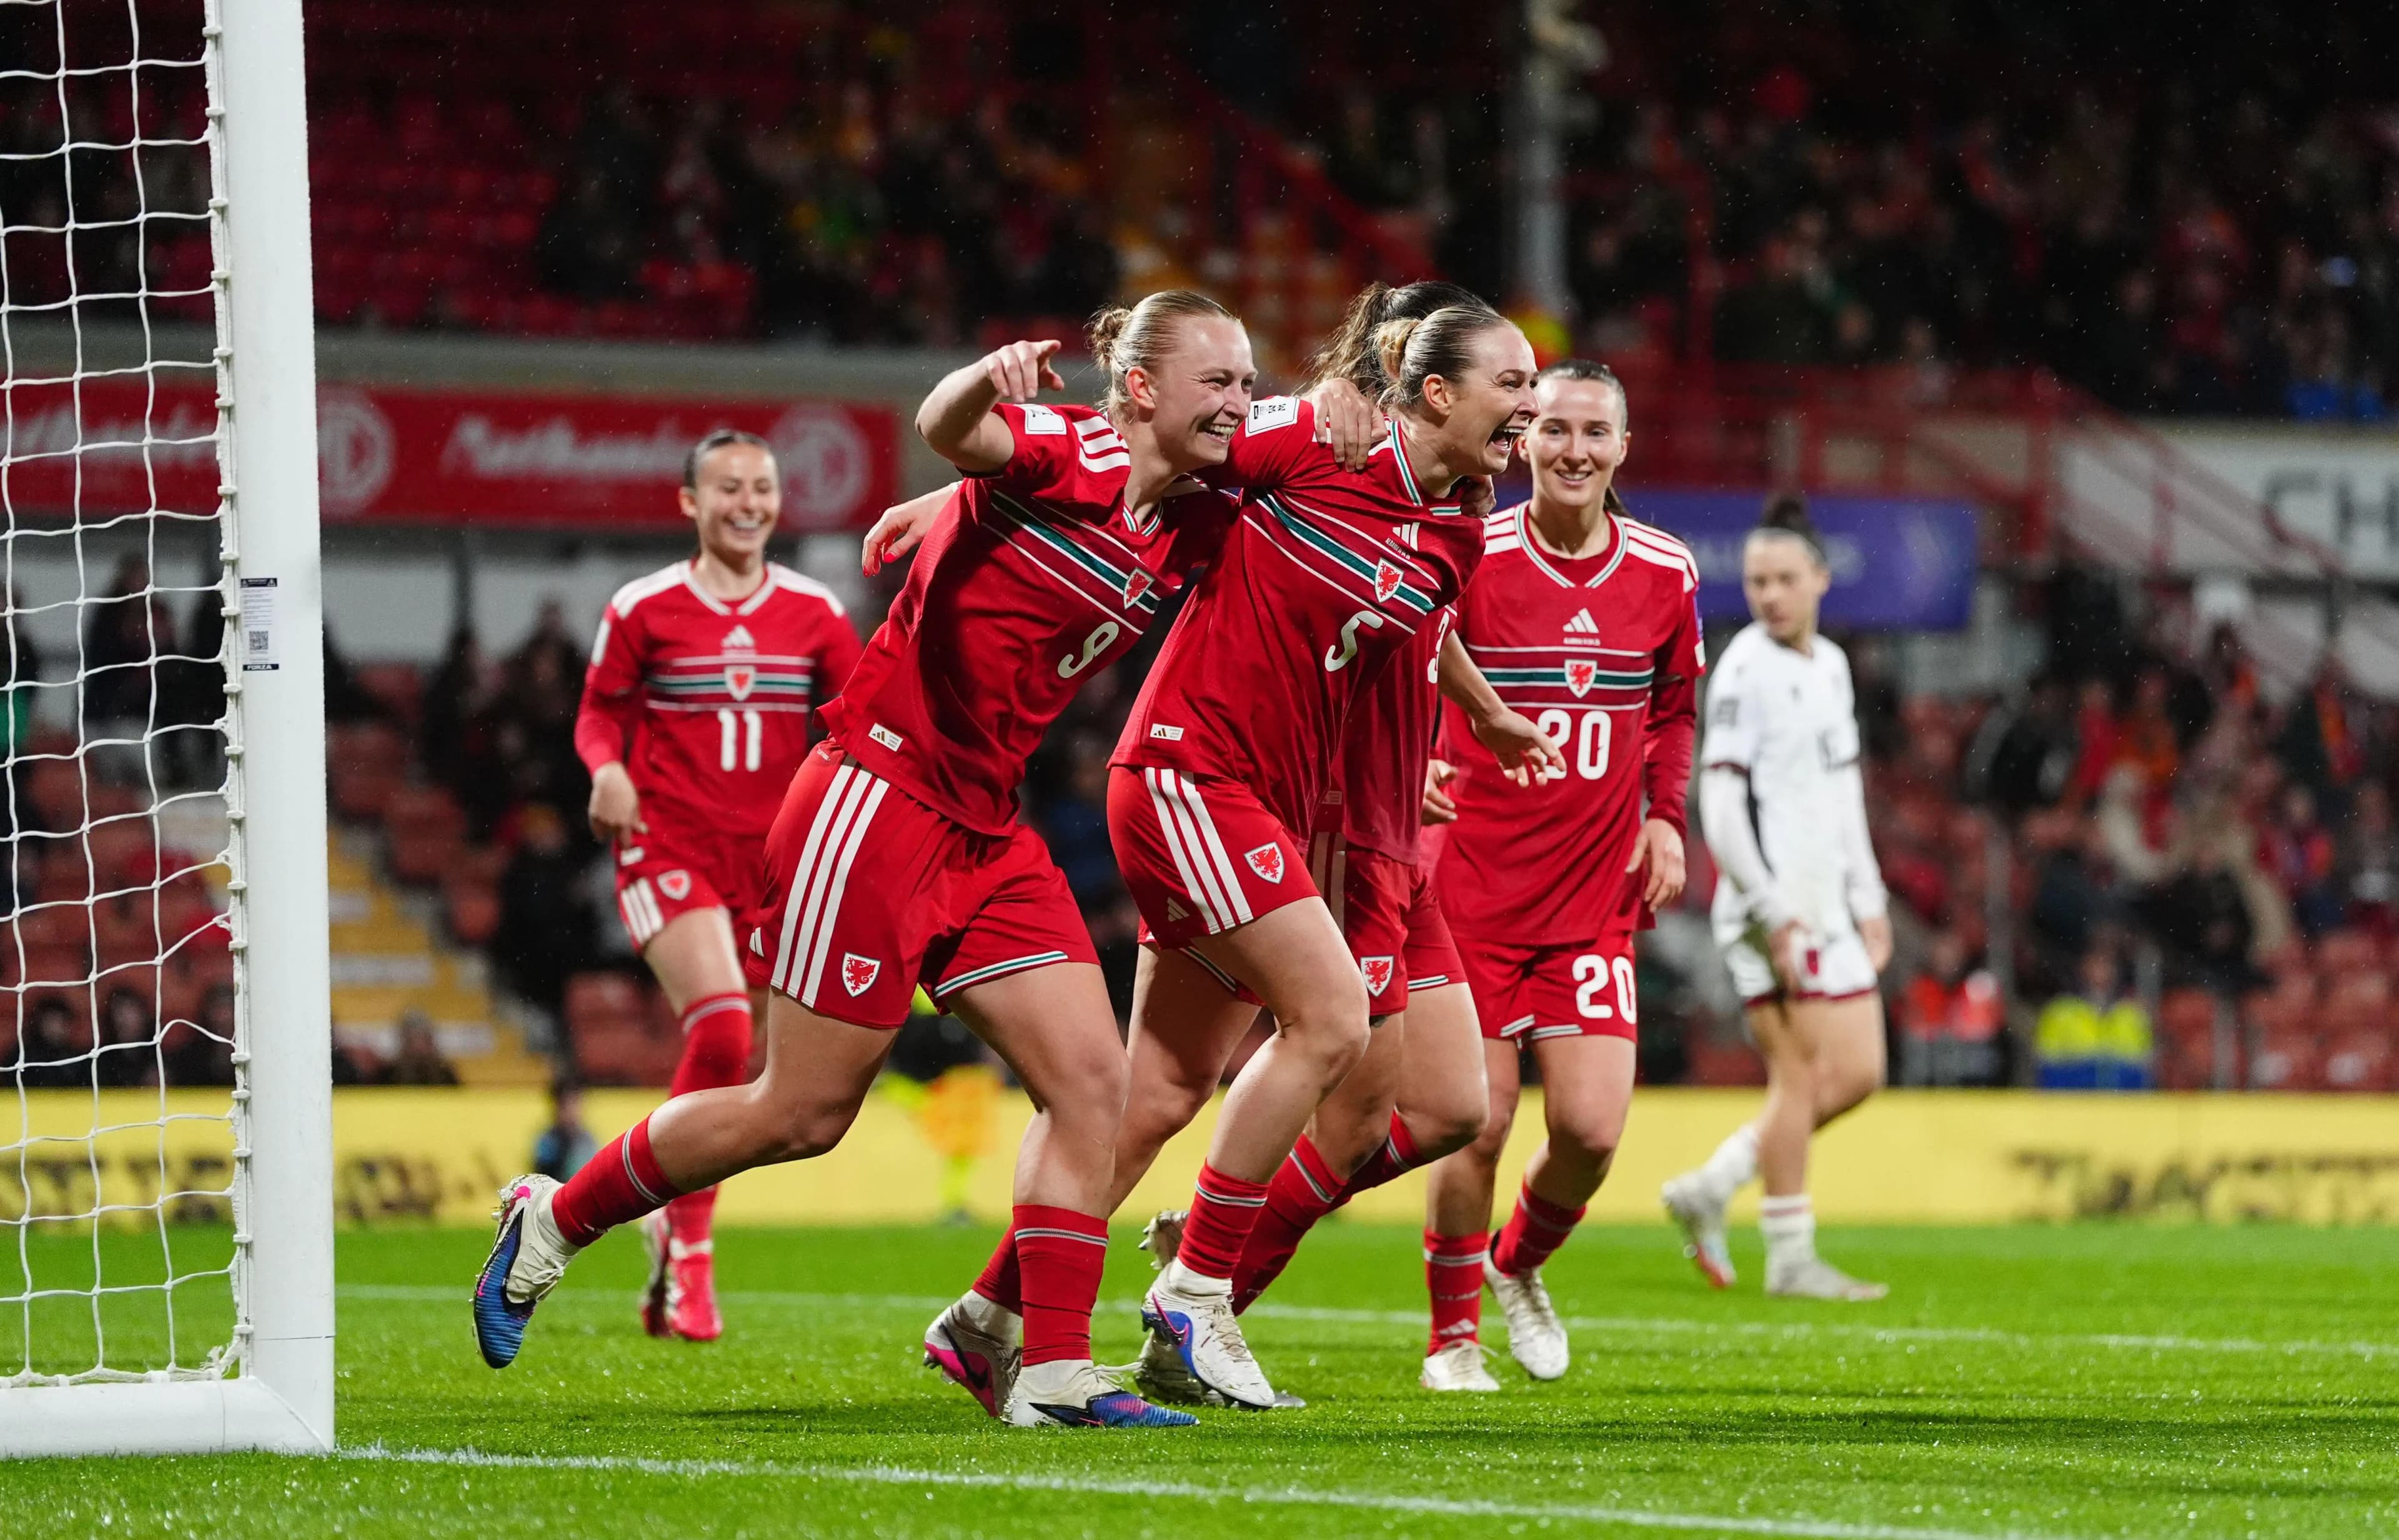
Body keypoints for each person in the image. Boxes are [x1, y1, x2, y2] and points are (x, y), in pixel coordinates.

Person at [477, 292, 1256, 1431]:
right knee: (799, 1111)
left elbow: (1306, 461)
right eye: (1219, 381)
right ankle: (555, 1218)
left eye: (1248, 384)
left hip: (988, 828)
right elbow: (951, 423)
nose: (1240, 404)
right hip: (874, 798)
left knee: (1097, 1086)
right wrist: (980, 394)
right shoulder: (1067, 448)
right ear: (1140, 388)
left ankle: (1048, 1371)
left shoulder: (1195, 510)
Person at [1099, 288, 1559, 1411]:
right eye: (1516, 387)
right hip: (1300, 809)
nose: (1537, 414)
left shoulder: (1456, 523)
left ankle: (1196, 1260)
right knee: (1277, 1070)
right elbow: (1154, 453)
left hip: (1400, 826)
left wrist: (1483, 716)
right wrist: (971, 499)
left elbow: (1411, 630)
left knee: (1449, 1107)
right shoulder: (1313, 442)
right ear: (1419, 380)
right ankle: (1179, 1287)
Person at [1416, 358, 1702, 1389]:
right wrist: (1420, 771)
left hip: (1591, 898)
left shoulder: (1666, 572)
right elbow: (1398, 667)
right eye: (1555, 430)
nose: (1575, 450)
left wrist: (1665, 822)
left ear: (1623, 448)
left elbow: (1671, 711)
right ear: (1524, 438)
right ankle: (1451, 1339)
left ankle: (1518, 1264)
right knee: (1478, 1122)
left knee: (1588, 1130)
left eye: (1596, 433)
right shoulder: (1471, 553)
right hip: (1472, 890)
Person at [568, 427, 863, 1342]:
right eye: (728, 487)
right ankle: (690, 1252)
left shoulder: (816, 613)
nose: (748, 502)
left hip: (775, 863)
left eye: (763, 487)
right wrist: (604, 771)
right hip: (668, 843)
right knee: (723, 1024)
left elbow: (856, 726)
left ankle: (660, 1206)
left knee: (760, 1071)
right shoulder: (644, 606)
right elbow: (597, 717)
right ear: (690, 503)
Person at [1661, 495, 1893, 1301]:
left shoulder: (1829, 666)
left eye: (1785, 578)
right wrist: (1770, 908)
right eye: (1757, 581)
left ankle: (1714, 1182)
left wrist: (1868, 895)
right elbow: (1720, 807)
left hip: (1828, 905)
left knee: (1860, 1071)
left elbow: (1841, 791)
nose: (1769, 595)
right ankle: (1792, 1253)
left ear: (1820, 579)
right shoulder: (1745, 670)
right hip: (1772, 911)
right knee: (1797, 1078)